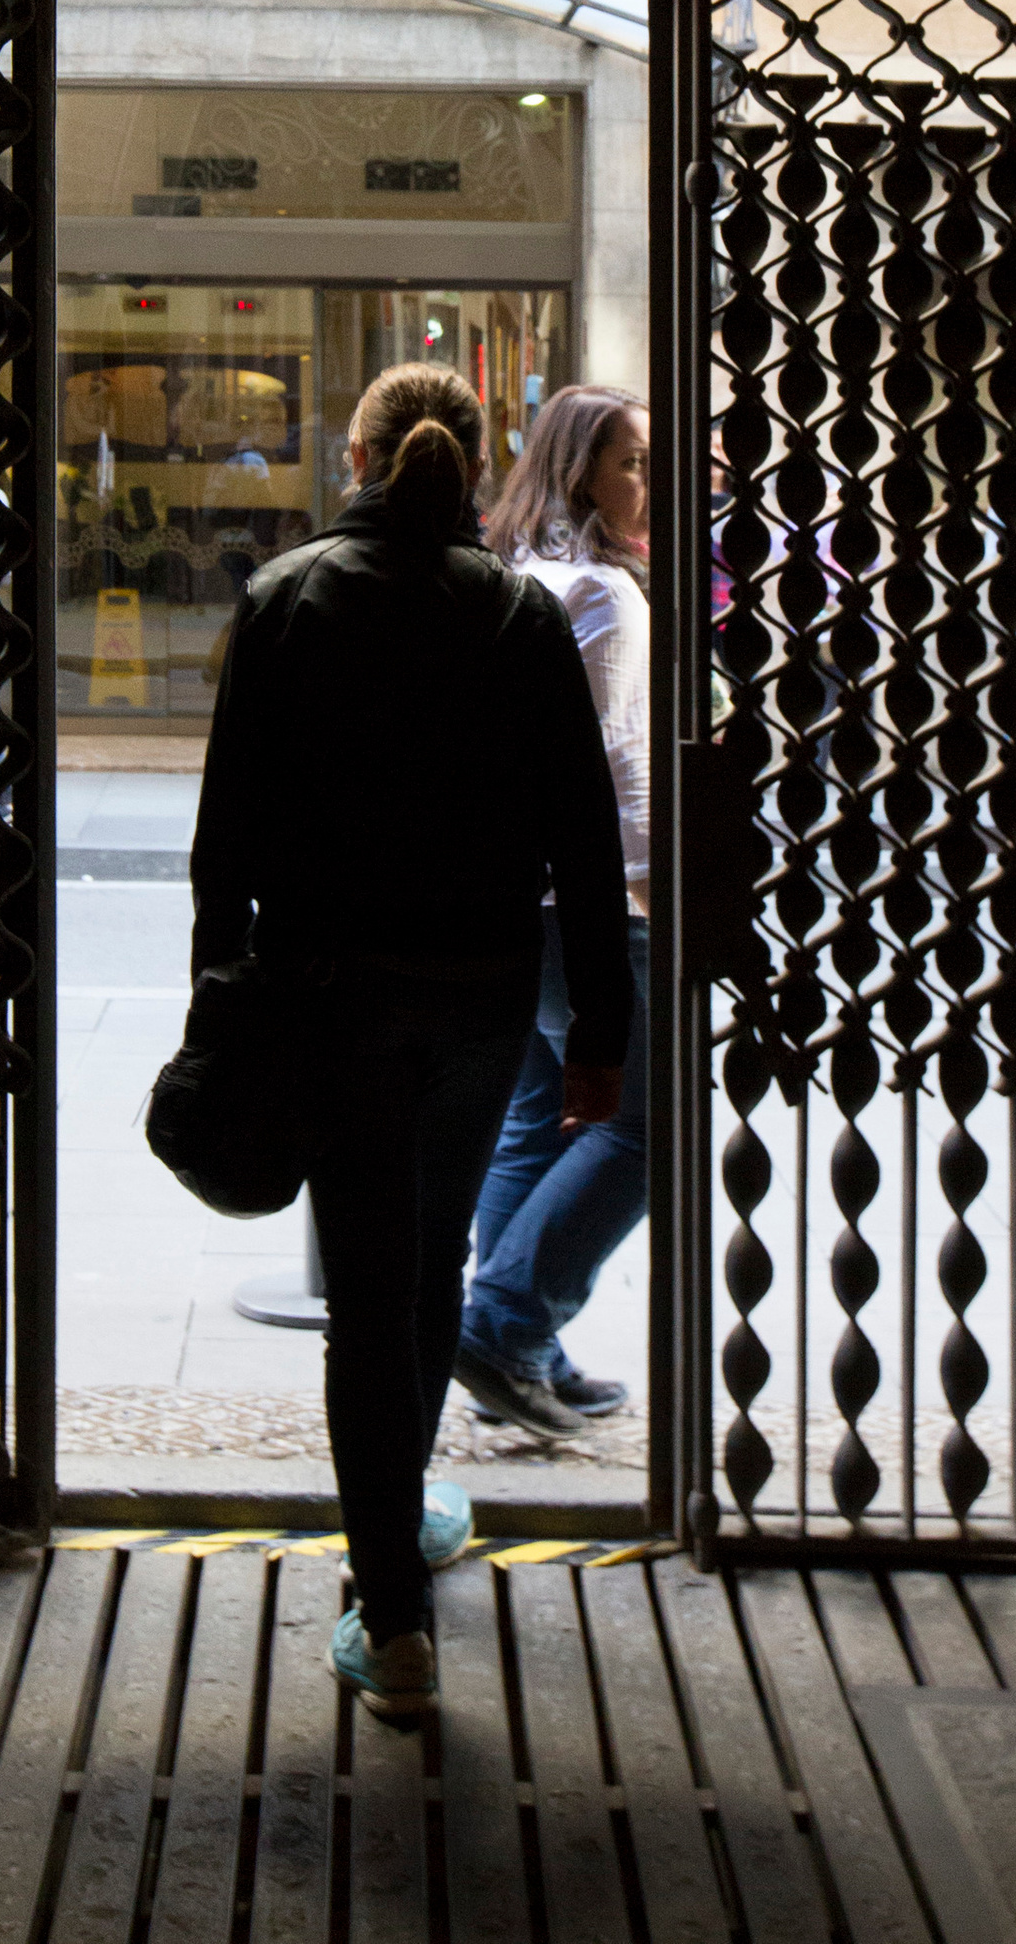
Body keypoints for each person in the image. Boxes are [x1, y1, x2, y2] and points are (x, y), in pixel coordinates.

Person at [189, 361, 632, 1724]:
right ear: (463, 456)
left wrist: (223, 1007)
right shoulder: (516, 616)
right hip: (482, 997)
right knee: (427, 1269)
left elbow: (226, 851)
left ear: (363, 453)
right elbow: (581, 843)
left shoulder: (287, 601)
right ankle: (406, 1528)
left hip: (335, 996)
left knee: (368, 1297)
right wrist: (601, 1031)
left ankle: (392, 1616)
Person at [456, 385, 652, 1437]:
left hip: (509, 900)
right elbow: (613, 763)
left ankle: (513, 1356)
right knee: (644, 1130)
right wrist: (650, 885)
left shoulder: (516, 576)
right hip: (588, 902)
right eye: (631, 462)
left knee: (534, 1122)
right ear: (581, 471)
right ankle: (506, 1324)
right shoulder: (604, 596)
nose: (649, 483)